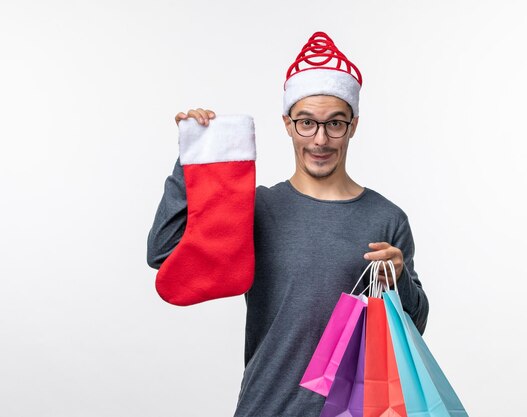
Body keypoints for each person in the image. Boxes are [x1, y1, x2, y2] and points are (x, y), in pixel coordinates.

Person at [147, 32, 429, 417]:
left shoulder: (386, 218)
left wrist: (400, 283)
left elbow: (415, 330)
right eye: (306, 123)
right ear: (287, 124)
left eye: (335, 124)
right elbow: (164, 253)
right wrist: (192, 160)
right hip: (266, 405)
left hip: (352, 411)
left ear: (354, 126)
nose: (320, 139)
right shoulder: (257, 208)